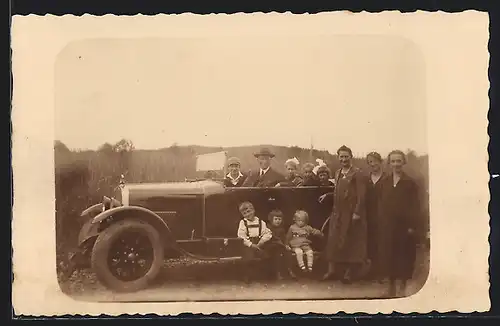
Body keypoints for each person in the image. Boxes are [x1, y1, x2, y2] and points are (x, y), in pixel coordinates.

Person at [378, 150, 421, 297]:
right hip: (388, 226)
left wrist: (412, 226)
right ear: (389, 163)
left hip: (404, 227)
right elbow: (381, 204)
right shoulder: (384, 182)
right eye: (393, 161)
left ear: (403, 162)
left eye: (399, 161)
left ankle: (402, 286)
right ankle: (391, 286)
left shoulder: (410, 183)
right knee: (389, 254)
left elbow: (415, 206)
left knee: (404, 255)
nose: (396, 164)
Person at [323, 145, 368, 283]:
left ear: (351, 157)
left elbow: (361, 195)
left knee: (350, 241)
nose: (344, 159)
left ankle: (349, 273)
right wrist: (328, 195)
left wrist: (357, 212)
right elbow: (339, 191)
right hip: (338, 213)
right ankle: (332, 271)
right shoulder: (337, 172)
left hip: (351, 213)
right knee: (334, 240)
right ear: (338, 158)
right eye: (341, 157)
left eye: (346, 156)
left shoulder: (357, 173)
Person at [236, 201, 273, 283]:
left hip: (259, 242)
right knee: (248, 258)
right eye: (244, 213)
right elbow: (241, 236)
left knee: (266, 256)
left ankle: (264, 275)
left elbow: (268, 233)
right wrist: (250, 244)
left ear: (253, 210)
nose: (247, 214)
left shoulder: (261, 222)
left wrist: (262, 241)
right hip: (249, 244)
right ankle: (247, 276)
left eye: (249, 211)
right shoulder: (243, 223)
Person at [364, 151, 387, 281]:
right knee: (371, 242)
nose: (373, 164)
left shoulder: (386, 177)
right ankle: (372, 271)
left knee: (382, 242)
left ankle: (382, 272)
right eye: (370, 162)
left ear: (380, 162)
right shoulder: (366, 178)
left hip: (383, 214)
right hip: (369, 214)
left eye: (375, 161)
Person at [266, 209, 296, 280]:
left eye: (279, 219)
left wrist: (286, 245)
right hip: (271, 246)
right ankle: (277, 273)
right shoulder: (268, 228)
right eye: (276, 219)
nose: (278, 221)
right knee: (277, 254)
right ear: (271, 219)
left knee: (287, 252)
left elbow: (284, 238)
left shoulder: (281, 229)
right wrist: (280, 243)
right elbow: (271, 237)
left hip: (281, 246)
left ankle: (289, 269)